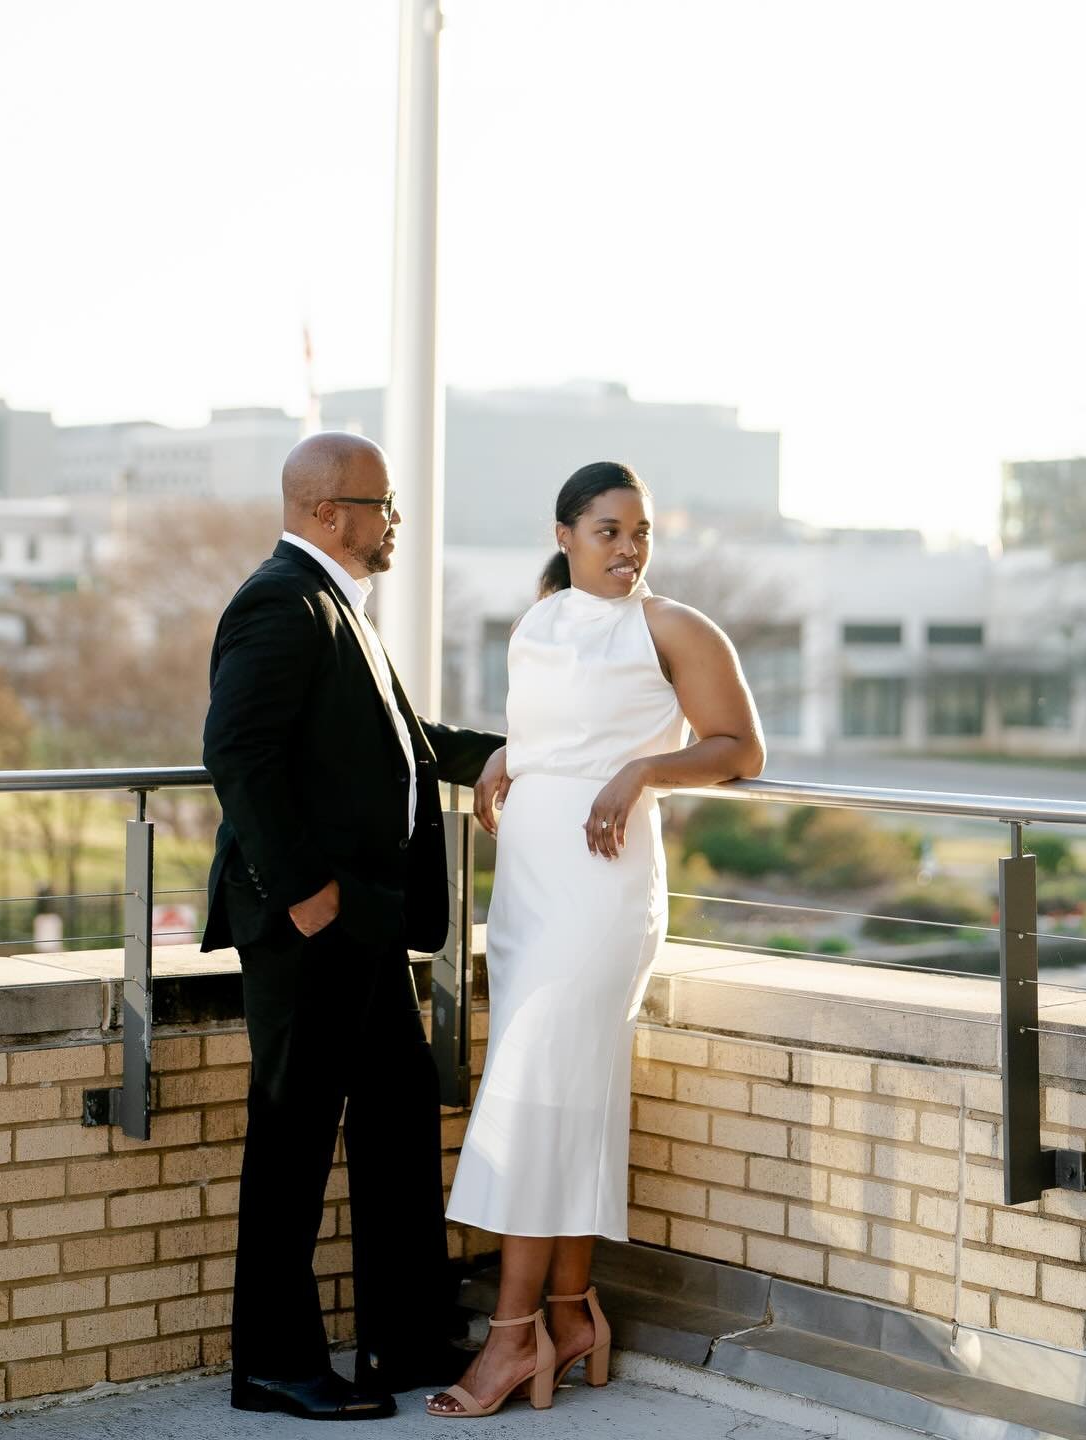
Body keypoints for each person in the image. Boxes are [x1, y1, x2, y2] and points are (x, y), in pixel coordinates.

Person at [428, 461, 765, 1419]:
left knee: (534, 1096)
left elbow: (740, 747)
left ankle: (510, 1338)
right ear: (566, 535)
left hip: (601, 890)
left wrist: (643, 772)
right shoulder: (538, 623)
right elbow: (555, 729)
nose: (629, 548)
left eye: (641, 531)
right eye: (610, 531)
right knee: (563, 1097)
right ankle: (572, 1316)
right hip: (528, 890)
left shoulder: (674, 627)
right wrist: (510, 753)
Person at [200, 431, 507, 1423]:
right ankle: (273, 1366)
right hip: (313, 926)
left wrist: (503, 756)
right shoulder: (280, 603)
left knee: (398, 1116)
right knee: (292, 1143)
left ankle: (404, 1337)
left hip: (366, 923)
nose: (395, 522)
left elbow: (405, 746)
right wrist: (305, 892)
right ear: (328, 512)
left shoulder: (338, 605)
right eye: (383, 505)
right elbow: (236, 753)